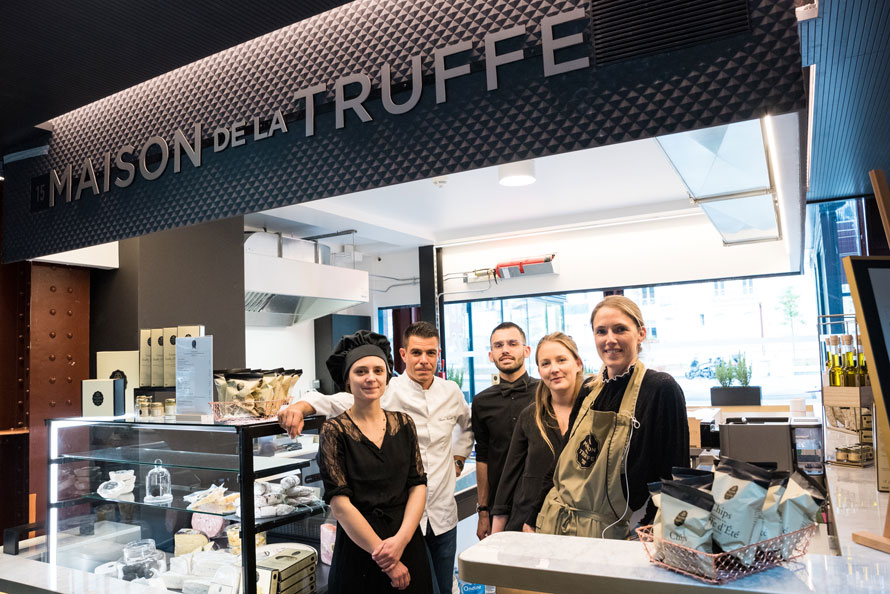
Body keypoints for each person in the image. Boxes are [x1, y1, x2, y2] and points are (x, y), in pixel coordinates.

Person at [279, 321, 473, 594]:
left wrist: (458, 458)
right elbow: (332, 401)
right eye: (416, 353)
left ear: (438, 355)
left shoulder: (451, 392)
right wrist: (298, 406)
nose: (424, 360)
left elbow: (468, 426)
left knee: (440, 586)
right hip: (402, 522)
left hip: (442, 515)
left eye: (431, 353)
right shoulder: (387, 389)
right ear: (404, 355)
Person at [534, 295, 689, 539]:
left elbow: (674, 477)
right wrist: (534, 517)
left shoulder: (660, 389)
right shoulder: (589, 390)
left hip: (615, 532)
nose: (610, 340)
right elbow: (562, 459)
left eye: (620, 329)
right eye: (601, 331)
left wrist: (645, 532)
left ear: (641, 334)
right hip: (555, 523)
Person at [317, 330, 433, 593]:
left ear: (387, 376)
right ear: (347, 379)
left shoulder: (404, 424)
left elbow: (418, 485)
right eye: (361, 371)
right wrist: (388, 560)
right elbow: (340, 504)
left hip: (407, 543)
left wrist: (401, 542)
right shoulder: (334, 431)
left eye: (378, 370)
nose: (371, 378)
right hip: (360, 550)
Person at [490, 332, 584, 533]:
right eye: (546, 363)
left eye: (561, 360)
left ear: (578, 364)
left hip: (579, 523)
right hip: (527, 524)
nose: (554, 369)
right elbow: (510, 475)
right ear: (540, 370)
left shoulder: (594, 413)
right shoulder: (531, 416)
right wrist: (495, 536)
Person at [470, 322, 538, 540]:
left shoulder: (545, 393)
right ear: (491, 355)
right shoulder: (481, 402)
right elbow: (483, 458)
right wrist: (483, 511)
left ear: (526, 351)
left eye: (512, 343)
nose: (505, 350)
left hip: (542, 502)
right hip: (500, 505)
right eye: (498, 345)